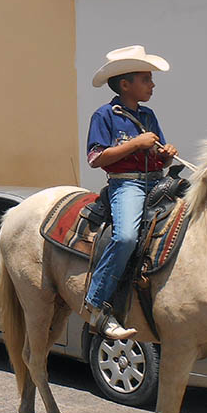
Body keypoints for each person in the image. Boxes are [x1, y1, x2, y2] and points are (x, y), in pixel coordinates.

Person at [83, 45, 178, 340]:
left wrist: (167, 155)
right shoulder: (104, 115)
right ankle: (96, 303)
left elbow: (158, 155)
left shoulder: (148, 115)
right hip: (127, 184)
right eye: (146, 79)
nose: (152, 84)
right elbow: (96, 158)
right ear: (126, 84)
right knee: (125, 237)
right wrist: (136, 144)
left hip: (157, 180)